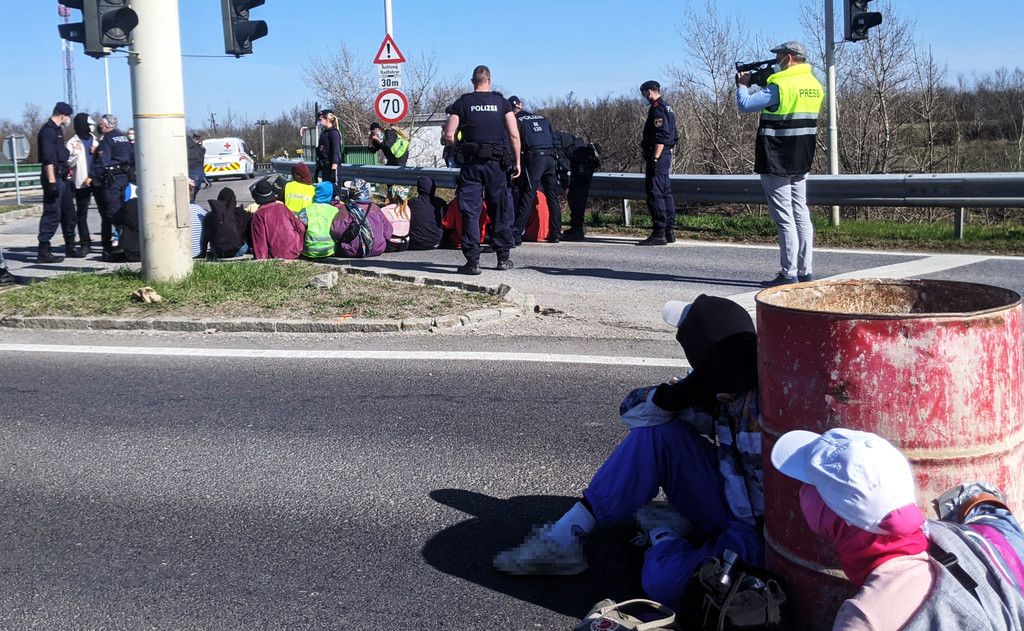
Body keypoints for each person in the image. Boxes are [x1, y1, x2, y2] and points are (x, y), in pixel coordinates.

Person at [493, 295, 765, 612]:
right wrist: (674, 396)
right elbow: (631, 412)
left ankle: (665, 532)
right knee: (657, 433)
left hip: (762, 536)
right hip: (728, 502)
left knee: (663, 583)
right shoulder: (715, 388)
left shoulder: (777, 397)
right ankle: (565, 537)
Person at [771, 428, 1024, 630]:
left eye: (812, 485)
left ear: (834, 522)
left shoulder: (865, 619)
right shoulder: (965, 538)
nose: (803, 491)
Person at [736, 41, 824, 286]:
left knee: (785, 218)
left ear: (789, 58)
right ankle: (805, 271)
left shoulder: (781, 84)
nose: (776, 61)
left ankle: (788, 273)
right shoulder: (815, 85)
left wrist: (742, 85)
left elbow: (745, 105)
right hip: (802, 155)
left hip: (776, 155)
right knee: (801, 214)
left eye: (779, 56)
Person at [442, 64, 522, 275]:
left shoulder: (462, 103)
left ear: (472, 82)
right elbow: (514, 134)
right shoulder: (502, 102)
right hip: (497, 165)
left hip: (472, 164)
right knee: (500, 210)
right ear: (489, 80)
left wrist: (458, 148)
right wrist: (517, 162)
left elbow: (449, 134)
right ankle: (502, 258)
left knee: (471, 211)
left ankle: (473, 262)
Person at [508, 96, 563, 245]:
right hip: (551, 158)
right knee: (552, 196)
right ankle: (555, 233)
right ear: (520, 105)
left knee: (528, 194)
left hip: (535, 159)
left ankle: (517, 234)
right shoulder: (542, 118)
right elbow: (555, 140)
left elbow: (515, 141)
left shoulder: (516, 121)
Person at [36, 101, 82, 263]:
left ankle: (70, 246)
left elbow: (60, 154)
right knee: (52, 213)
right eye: (68, 116)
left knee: (69, 213)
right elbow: (48, 159)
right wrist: (51, 183)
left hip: (62, 177)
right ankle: (43, 250)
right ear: (62, 115)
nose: (69, 119)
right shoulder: (48, 131)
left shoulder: (58, 130)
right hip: (53, 177)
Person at [638, 80, 678, 246]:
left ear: (649, 92)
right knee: (665, 191)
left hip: (659, 155)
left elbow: (661, 135)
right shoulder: (668, 107)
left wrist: (655, 158)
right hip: (666, 154)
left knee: (655, 192)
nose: (644, 97)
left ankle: (659, 232)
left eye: (644, 94)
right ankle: (669, 230)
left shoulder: (657, 109)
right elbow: (674, 135)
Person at [91, 114, 135, 262]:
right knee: (120, 211)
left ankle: (115, 248)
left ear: (106, 126)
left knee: (111, 215)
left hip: (111, 182)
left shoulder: (107, 140)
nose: (99, 127)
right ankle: (121, 244)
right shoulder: (123, 138)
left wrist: (92, 177)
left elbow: (102, 162)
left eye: (100, 124)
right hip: (124, 179)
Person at [552, 130, 601, 241]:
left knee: (576, 197)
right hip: (584, 161)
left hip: (581, 164)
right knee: (578, 197)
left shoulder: (553, 140)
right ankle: (577, 228)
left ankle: (577, 230)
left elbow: (562, 162)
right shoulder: (560, 136)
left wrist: (565, 184)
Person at [249, 176, 306, 260]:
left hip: (277, 255)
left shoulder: (259, 215)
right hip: (296, 250)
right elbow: (301, 228)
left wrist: (261, 259)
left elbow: (260, 242)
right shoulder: (282, 207)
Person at [66, 113, 98, 254]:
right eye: (89, 124)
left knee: (106, 213)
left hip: (97, 181)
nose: (91, 126)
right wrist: (75, 153)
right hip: (82, 182)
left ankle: (108, 243)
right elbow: (68, 163)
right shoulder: (72, 142)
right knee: (82, 214)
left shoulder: (96, 140)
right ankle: (85, 243)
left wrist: (97, 151)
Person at [201, 187, 250, 258]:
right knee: (244, 245)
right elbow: (248, 233)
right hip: (238, 250)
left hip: (217, 252)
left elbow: (206, 236)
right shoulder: (240, 213)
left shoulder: (210, 216)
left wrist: (203, 253)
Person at [408, 175, 446, 250]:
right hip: (435, 242)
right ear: (433, 188)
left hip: (415, 242)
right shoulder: (440, 203)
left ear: (419, 188)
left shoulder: (412, 202)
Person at [316, 110, 341, 185]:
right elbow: (321, 151)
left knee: (334, 190)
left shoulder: (333, 132)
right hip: (325, 167)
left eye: (320, 120)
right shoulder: (324, 133)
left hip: (332, 167)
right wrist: (318, 168)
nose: (319, 122)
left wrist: (333, 170)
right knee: (326, 190)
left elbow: (336, 152)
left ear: (327, 119)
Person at [186, 133, 207, 203]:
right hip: (198, 170)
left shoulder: (189, 146)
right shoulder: (199, 148)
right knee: (193, 192)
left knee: (190, 194)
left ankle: (191, 204)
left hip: (193, 170)